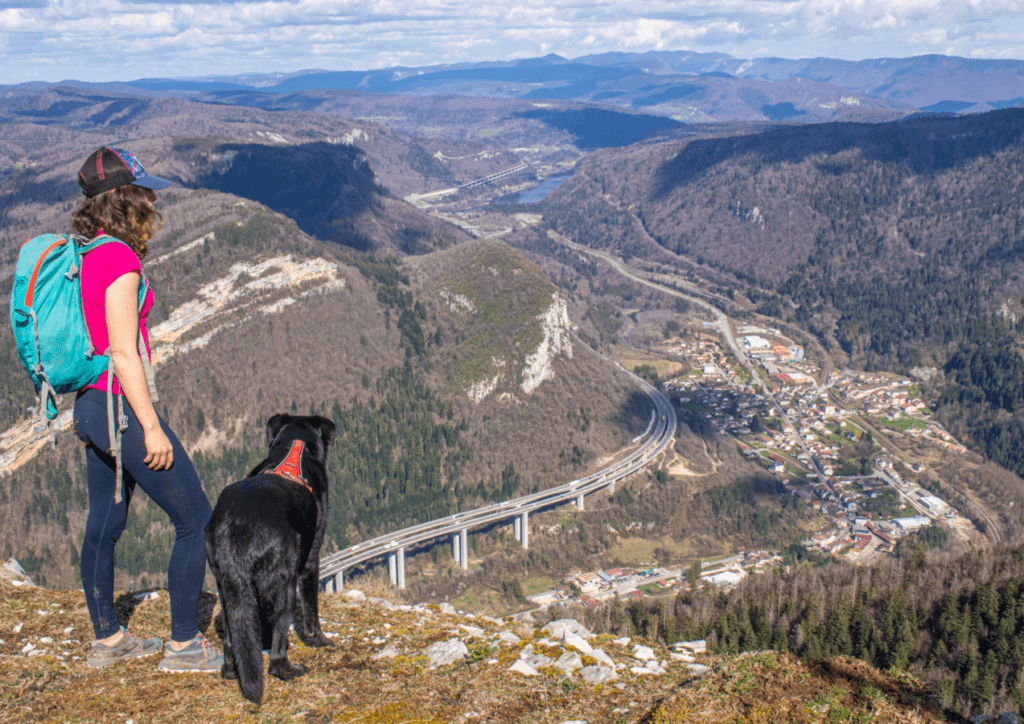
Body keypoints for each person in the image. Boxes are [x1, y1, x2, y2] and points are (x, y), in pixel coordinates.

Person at [70, 147, 222, 672]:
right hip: (119, 408)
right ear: (123, 199)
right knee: (196, 519)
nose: (153, 200)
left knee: (105, 522)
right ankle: (183, 646)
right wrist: (151, 426)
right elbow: (121, 350)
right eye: (145, 192)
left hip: (90, 407)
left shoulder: (85, 251)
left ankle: (108, 641)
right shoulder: (119, 259)